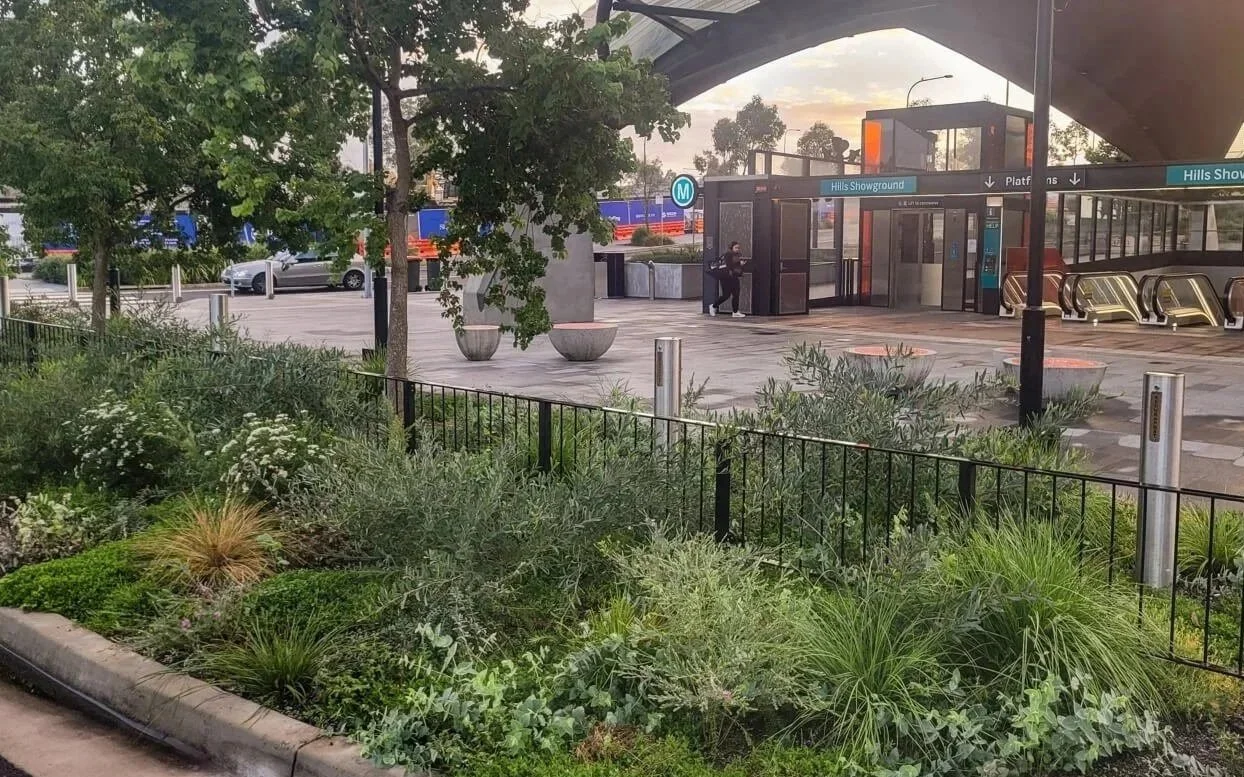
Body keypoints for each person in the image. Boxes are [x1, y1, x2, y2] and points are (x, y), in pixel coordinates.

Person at [708, 241, 747, 318]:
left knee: (736, 294)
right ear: (731, 248)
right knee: (726, 295)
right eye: (736, 247)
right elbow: (730, 265)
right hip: (726, 278)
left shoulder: (738, 255)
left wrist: (740, 265)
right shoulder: (728, 254)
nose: (737, 249)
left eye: (738, 248)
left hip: (734, 277)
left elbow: (735, 267)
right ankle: (713, 306)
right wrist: (740, 263)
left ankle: (735, 312)